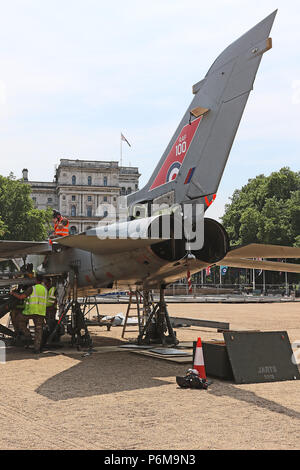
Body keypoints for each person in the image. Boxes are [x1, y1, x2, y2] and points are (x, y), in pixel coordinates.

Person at [15, 275, 48, 354]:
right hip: (40, 312)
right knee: (39, 330)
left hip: (31, 311)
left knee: (18, 319)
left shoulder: (32, 288)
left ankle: (28, 335)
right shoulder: (45, 289)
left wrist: (13, 293)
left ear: (35, 280)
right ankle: (37, 349)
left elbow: (21, 297)